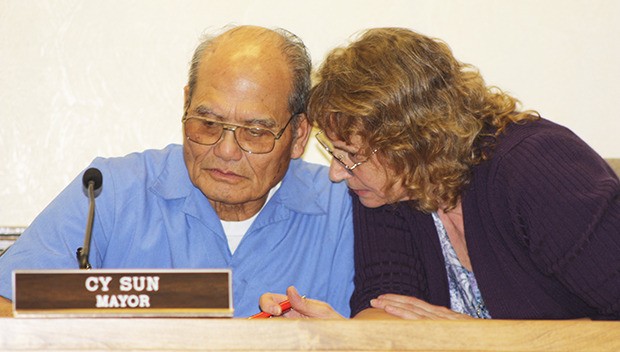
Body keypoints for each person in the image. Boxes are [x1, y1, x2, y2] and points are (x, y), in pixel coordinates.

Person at [259, 27, 620, 320]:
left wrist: (484, 341)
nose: (337, 174)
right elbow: (387, 305)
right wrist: (343, 338)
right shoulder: (389, 191)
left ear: (409, 143)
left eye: (350, 156)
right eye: (333, 153)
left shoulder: (535, 169)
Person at [0, 25, 355, 318]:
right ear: (185, 106)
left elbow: (395, 330)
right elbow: (7, 305)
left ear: (299, 135)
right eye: (208, 123)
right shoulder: (110, 192)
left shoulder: (347, 209)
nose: (226, 151)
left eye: (255, 132)